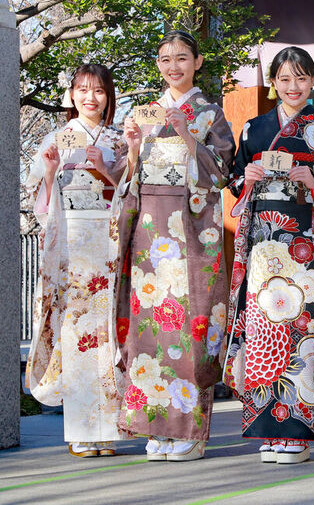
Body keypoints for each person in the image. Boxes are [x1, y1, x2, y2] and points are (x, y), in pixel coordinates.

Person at [115, 30, 235, 462]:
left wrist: (187, 136)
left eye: (182, 58)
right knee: (150, 330)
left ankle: (188, 431)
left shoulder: (210, 113)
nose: (173, 67)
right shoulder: (146, 111)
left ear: (198, 62)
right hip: (150, 229)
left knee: (190, 327)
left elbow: (220, 172)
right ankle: (154, 425)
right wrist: (131, 148)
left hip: (190, 230)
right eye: (165, 59)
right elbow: (127, 176)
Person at [223, 47, 314, 464]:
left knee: (301, 330)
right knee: (263, 331)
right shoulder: (254, 128)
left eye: (301, 79)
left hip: (304, 241)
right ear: (273, 82)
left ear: (312, 81)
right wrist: (247, 177)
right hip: (263, 241)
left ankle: (299, 431)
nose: (293, 87)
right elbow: (234, 177)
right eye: (285, 79)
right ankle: (267, 429)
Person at [25, 64, 126, 457]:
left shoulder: (118, 141)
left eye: (99, 90)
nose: (90, 97)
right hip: (72, 247)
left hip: (110, 243)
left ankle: (110, 429)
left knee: (109, 333)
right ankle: (83, 431)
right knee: (77, 332)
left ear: (108, 96)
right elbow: (43, 205)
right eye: (83, 89)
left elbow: (130, 193)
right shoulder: (56, 137)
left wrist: (107, 168)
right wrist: (50, 173)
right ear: (71, 94)